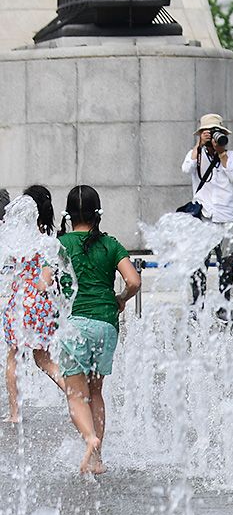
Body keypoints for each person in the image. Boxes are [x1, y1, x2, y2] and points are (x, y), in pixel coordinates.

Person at [56, 185, 142, 474]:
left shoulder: (60, 244)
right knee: (96, 391)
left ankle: (89, 439)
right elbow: (134, 282)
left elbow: (43, 283)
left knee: (74, 393)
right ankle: (97, 458)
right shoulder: (111, 244)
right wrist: (120, 299)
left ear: (69, 214)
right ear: (98, 213)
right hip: (106, 324)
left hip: (74, 324)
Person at [4, 187, 64, 423]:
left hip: (19, 302)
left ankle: (14, 414)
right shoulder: (49, 242)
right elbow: (45, 283)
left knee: (13, 357)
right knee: (45, 359)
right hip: (41, 306)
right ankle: (76, 400)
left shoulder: (20, 239)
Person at [182, 113, 233, 311]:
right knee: (199, 266)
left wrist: (222, 152)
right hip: (204, 219)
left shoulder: (232, 156)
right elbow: (186, 168)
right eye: (210, 133)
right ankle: (197, 307)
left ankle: (225, 308)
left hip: (226, 218)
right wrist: (199, 146)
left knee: (226, 266)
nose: (215, 136)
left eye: (218, 132)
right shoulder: (196, 155)